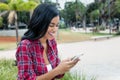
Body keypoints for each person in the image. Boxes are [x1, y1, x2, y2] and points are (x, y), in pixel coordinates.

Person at [16, 3, 79, 80]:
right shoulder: (26, 46)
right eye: (51, 25)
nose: (55, 29)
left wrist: (64, 66)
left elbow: (57, 74)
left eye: (57, 25)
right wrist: (57, 70)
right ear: (40, 23)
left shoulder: (52, 43)